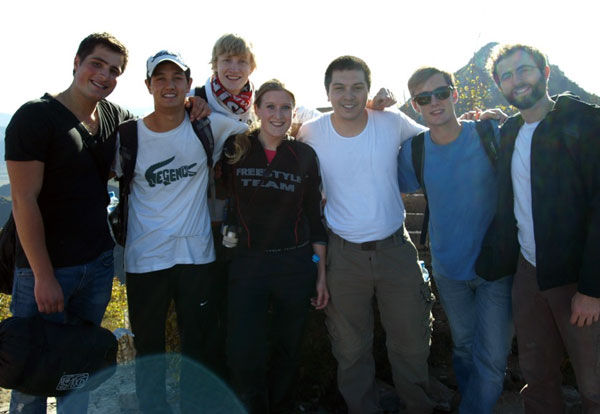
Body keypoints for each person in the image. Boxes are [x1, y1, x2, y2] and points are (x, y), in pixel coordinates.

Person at [297, 56, 435, 414]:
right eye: (339, 88)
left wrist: (482, 123)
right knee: (350, 349)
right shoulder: (313, 132)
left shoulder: (390, 122)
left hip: (395, 248)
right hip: (343, 255)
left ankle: (417, 407)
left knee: (412, 342)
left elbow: (437, 137)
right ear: (327, 91)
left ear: (368, 90)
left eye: (358, 87)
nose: (348, 95)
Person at [113, 50, 248, 414]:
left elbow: (261, 125)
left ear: (190, 85)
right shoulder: (129, 136)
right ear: (148, 86)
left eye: (177, 78)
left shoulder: (208, 127)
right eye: (160, 78)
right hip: (145, 258)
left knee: (199, 344)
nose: (169, 85)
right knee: (150, 348)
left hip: (196, 255)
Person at [4, 33, 133, 414]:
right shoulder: (35, 118)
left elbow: (156, 122)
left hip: (96, 264)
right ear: (76, 62)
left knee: (78, 371)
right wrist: (43, 275)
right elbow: (23, 202)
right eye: (97, 63)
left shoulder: (111, 115)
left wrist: (194, 105)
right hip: (46, 269)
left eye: (114, 71)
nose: (104, 75)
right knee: (32, 370)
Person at [487, 44, 600, 413]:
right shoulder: (510, 132)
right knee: (536, 375)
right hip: (529, 272)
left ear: (545, 72)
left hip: (577, 279)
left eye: (524, 70)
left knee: (594, 381)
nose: (516, 80)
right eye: (507, 75)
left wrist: (592, 289)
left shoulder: (586, 123)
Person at [397, 66, 513, 413]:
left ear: (455, 95)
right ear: (415, 106)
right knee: (463, 347)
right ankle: (472, 400)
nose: (435, 102)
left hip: (496, 267)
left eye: (441, 93)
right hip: (449, 270)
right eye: (423, 98)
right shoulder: (413, 152)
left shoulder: (489, 132)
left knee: (492, 359)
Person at [220, 79, 328, 414]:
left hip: (294, 264)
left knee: (288, 347)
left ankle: (281, 405)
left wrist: (320, 274)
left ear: (293, 113)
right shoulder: (236, 149)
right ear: (257, 110)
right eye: (270, 106)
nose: (278, 115)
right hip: (246, 264)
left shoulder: (304, 156)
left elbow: (314, 217)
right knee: (243, 348)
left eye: (285, 108)